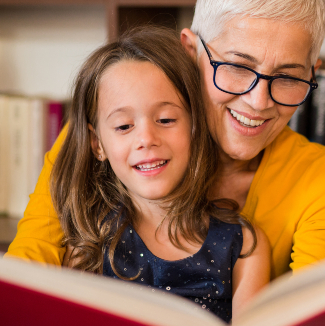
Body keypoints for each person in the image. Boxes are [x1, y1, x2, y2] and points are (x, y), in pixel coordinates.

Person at [6, 0, 325, 280]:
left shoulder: (321, 179)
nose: (259, 102)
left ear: (312, 73)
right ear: (191, 51)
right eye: (237, 67)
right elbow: (27, 274)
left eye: (286, 76)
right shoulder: (109, 140)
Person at [50, 26, 270, 322]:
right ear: (97, 144)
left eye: (166, 119)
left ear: (196, 126)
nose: (147, 138)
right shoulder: (88, 245)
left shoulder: (243, 245)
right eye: (124, 126)